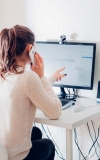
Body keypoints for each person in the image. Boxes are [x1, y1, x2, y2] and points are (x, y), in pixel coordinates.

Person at [0, 25, 65, 160]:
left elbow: (26, 89)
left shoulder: (5, 73)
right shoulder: (28, 77)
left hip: (2, 151)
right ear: (30, 49)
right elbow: (55, 112)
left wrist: (51, 78)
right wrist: (41, 76)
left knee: (36, 133)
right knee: (48, 144)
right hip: (16, 156)